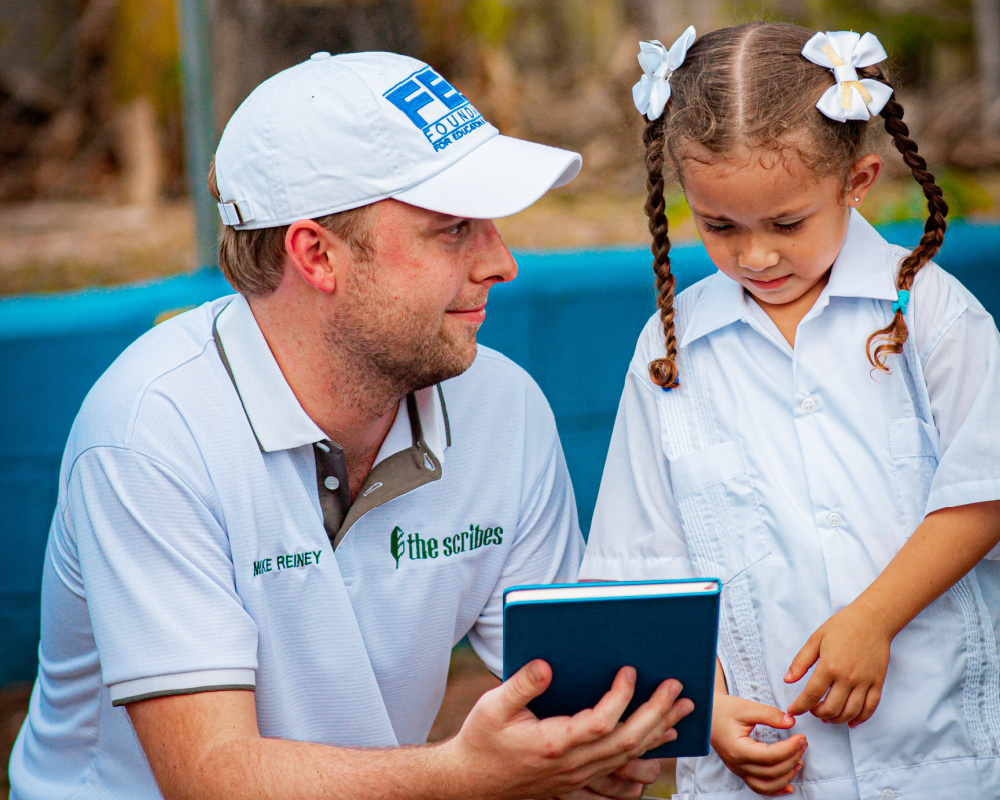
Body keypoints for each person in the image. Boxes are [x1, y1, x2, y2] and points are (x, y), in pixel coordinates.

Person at [8, 51, 693, 800]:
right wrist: (466, 776)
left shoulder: (503, 405)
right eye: (454, 228)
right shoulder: (151, 431)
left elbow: (569, 699)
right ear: (316, 255)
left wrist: (596, 749)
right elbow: (211, 778)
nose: (503, 262)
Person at [579, 21, 1000, 799]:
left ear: (858, 179)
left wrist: (874, 619)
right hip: (759, 771)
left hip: (942, 763)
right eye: (719, 227)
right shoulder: (670, 348)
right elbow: (645, 559)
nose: (757, 256)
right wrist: (705, 710)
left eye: (786, 223)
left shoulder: (934, 314)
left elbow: (984, 490)